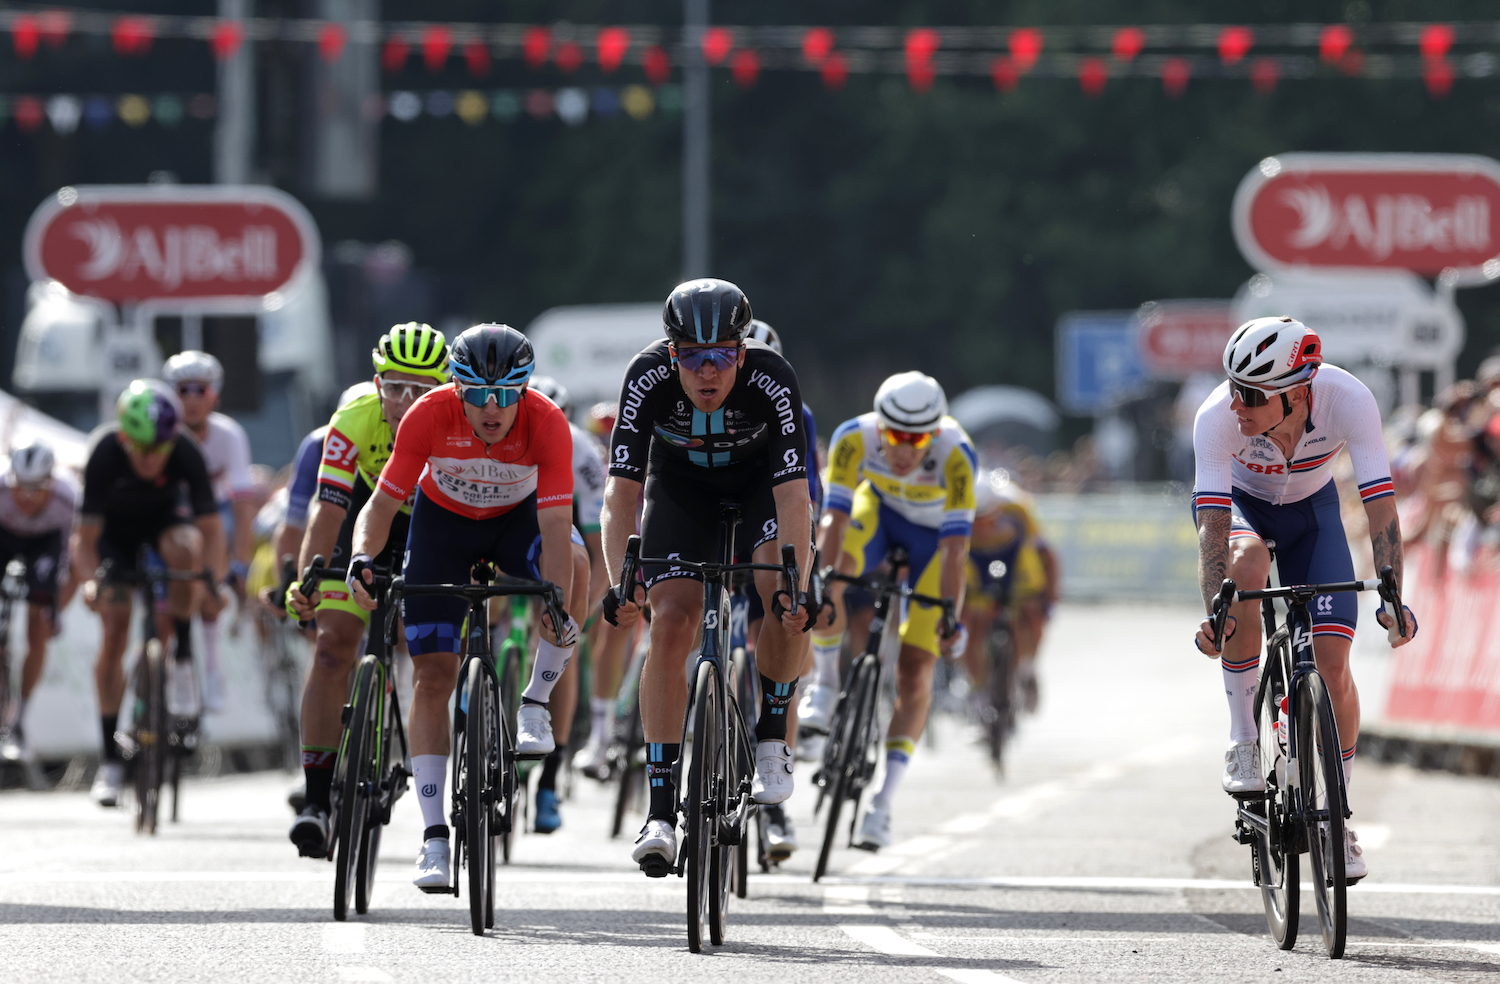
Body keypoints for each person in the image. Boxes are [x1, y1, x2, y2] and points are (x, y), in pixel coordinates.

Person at [333, 324, 580, 890]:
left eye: (505, 394)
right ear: (456, 388)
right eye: (476, 394)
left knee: (577, 566)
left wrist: (555, 599)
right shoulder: (429, 414)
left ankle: (536, 700)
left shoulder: (546, 422)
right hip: (444, 529)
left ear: (524, 389)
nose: (491, 409)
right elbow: (382, 501)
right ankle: (434, 837)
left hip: (516, 526)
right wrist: (362, 557)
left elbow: (555, 523)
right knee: (432, 678)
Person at [1191, 316, 1418, 886]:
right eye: (1231, 385)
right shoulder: (1217, 418)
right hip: (1242, 510)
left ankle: (1336, 816)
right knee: (1247, 565)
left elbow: (1381, 509)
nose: (1235, 402)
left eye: (1250, 393)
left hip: (1313, 516)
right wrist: (1216, 612)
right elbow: (1213, 528)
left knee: (1335, 665)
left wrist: (1392, 592)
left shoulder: (1349, 399)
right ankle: (1245, 738)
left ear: (1296, 392)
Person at [600, 279, 814, 875]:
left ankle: (773, 735)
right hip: (681, 494)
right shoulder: (645, 376)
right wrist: (625, 578)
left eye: (721, 354)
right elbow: (621, 494)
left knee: (781, 595)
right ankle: (661, 811)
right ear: (672, 355)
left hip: (758, 493)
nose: (707, 370)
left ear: (742, 353)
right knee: (669, 624)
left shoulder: (773, 376)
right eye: (692, 357)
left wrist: (798, 581)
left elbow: (795, 497)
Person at [285, 323, 450, 857]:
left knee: (421, 640)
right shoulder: (352, 420)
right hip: (362, 514)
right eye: (396, 386)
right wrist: (310, 575)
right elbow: (328, 507)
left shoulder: (454, 424)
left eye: (421, 390)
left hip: (427, 518)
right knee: (332, 647)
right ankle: (315, 799)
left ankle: (396, 708)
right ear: (377, 381)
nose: (406, 401)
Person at [807, 370, 975, 850]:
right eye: (895, 436)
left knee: (916, 670)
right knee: (831, 577)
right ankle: (825, 683)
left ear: (935, 431)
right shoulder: (852, 437)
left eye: (917, 438)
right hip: (875, 516)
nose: (904, 449)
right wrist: (825, 581)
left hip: (933, 541)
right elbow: (835, 518)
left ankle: (882, 804)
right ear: (879, 426)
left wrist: (950, 619)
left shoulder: (956, 453)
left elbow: (955, 554)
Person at [73, 380, 226, 807]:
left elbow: (211, 531)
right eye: (142, 450)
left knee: (185, 549)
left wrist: (211, 580)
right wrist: (90, 579)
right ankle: (109, 759)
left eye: (159, 450)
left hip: (165, 522)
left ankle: (181, 652)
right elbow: (84, 538)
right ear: (125, 437)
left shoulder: (183, 451)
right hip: (114, 538)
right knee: (116, 629)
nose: (151, 459)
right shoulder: (104, 452)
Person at [743, 318, 822, 860]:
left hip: (771, 529)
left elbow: (806, 500)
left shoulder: (797, 414)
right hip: (713, 525)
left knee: (780, 642)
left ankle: (773, 801)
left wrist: (803, 579)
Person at [526, 375, 609, 833]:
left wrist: (587, 603)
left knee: (565, 640)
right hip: (516, 538)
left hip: (567, 537)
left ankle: (550, 780)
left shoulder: (580, 450)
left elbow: (597, 548)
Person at [161, 351, 254, 711]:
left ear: (215, 394)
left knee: (216, 535)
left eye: (201, 390)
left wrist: (240, 564)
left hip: (213, 515)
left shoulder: (229, 435)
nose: (193, 399)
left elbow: (244, 501)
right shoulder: (163, 432)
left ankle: (212, 664)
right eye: (183, 390)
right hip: (169, 516)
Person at [0, 441, 81, 760]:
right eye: (21, 487)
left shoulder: (69, 496)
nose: (28, 497)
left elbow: (76, 564)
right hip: (3, 536)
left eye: (37, 489)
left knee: (39, 624)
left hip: (46, 545)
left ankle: (20, 720)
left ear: (51, 482)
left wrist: (57, 612)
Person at [960, 469, 1058, 715]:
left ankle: (1027, 668)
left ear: (998, 509)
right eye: (976, 522)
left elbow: (1047, 556)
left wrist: (1049, 598)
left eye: (989, 520)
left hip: (1015, 561)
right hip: (974, 561)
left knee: (1030, 610)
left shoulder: (1019, 507)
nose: (982, 528)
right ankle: (980, 689)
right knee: (970, 623)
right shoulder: (955, 509)